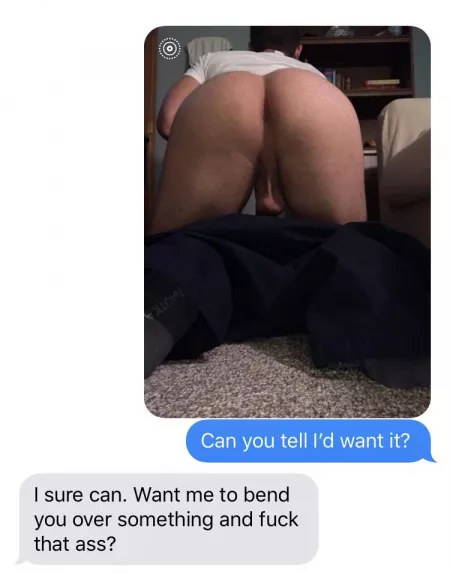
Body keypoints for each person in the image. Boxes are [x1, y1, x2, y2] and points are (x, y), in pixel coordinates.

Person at [150, 26, 366, 233]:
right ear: (298, 50)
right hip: (308, 93)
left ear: (251, 46)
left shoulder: (212, 60)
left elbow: (168, 121)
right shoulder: (313, 73)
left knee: (176, 243)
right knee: (345, 241)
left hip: (226, 94)